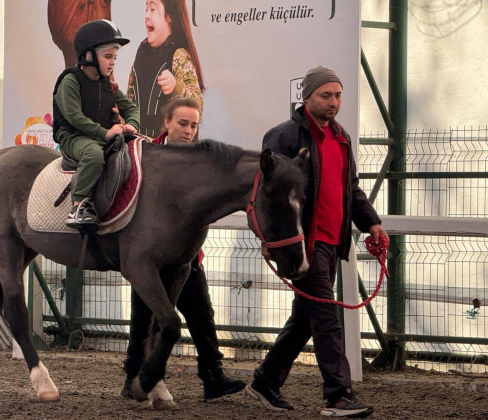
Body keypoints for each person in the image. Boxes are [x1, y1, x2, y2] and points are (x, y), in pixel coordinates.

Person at [245, 67, 389, 418]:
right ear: (306, 97)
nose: (333, 102)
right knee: (325, 315)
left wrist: (372, 223)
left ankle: (265, 381)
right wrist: (268, 239)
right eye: (326, 95)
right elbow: (269, 196)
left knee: (307, 318)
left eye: (338, 96)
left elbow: (350, 188)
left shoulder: (341, 139)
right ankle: (338, 395)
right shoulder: (283, 136)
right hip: (301, 243)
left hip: (331, 243)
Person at [121, 97, 246, 401]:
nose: (189, 130)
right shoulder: (147, 156)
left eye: (194, 125)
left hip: (187, 257)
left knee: (202, 314)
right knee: (143, 319)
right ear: (166, 122)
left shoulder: (202, 161)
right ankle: (131, 380)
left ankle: (213, 377)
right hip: (149, 258)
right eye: (183, 123)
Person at [52, 19, 139, 228]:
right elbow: (74, 117)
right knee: (94, 154)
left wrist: (132, 125)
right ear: (88, 56)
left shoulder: (109, 86)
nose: (112, 63)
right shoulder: (70, 81)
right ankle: (79, 205)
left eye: (115, 58)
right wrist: (105, 133)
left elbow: (131, 108)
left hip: (98, 136)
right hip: (73, 137)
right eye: (108, 56)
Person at [127, 0, 204, 139]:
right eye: (146, 9)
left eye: (153, 9)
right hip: (142, 144)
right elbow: (130, 100)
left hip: (171, 151)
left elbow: (198, 106)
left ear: (170, 15)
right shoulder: (141, 55)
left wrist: (176, 86)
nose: (147, 15)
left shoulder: (178, 55)